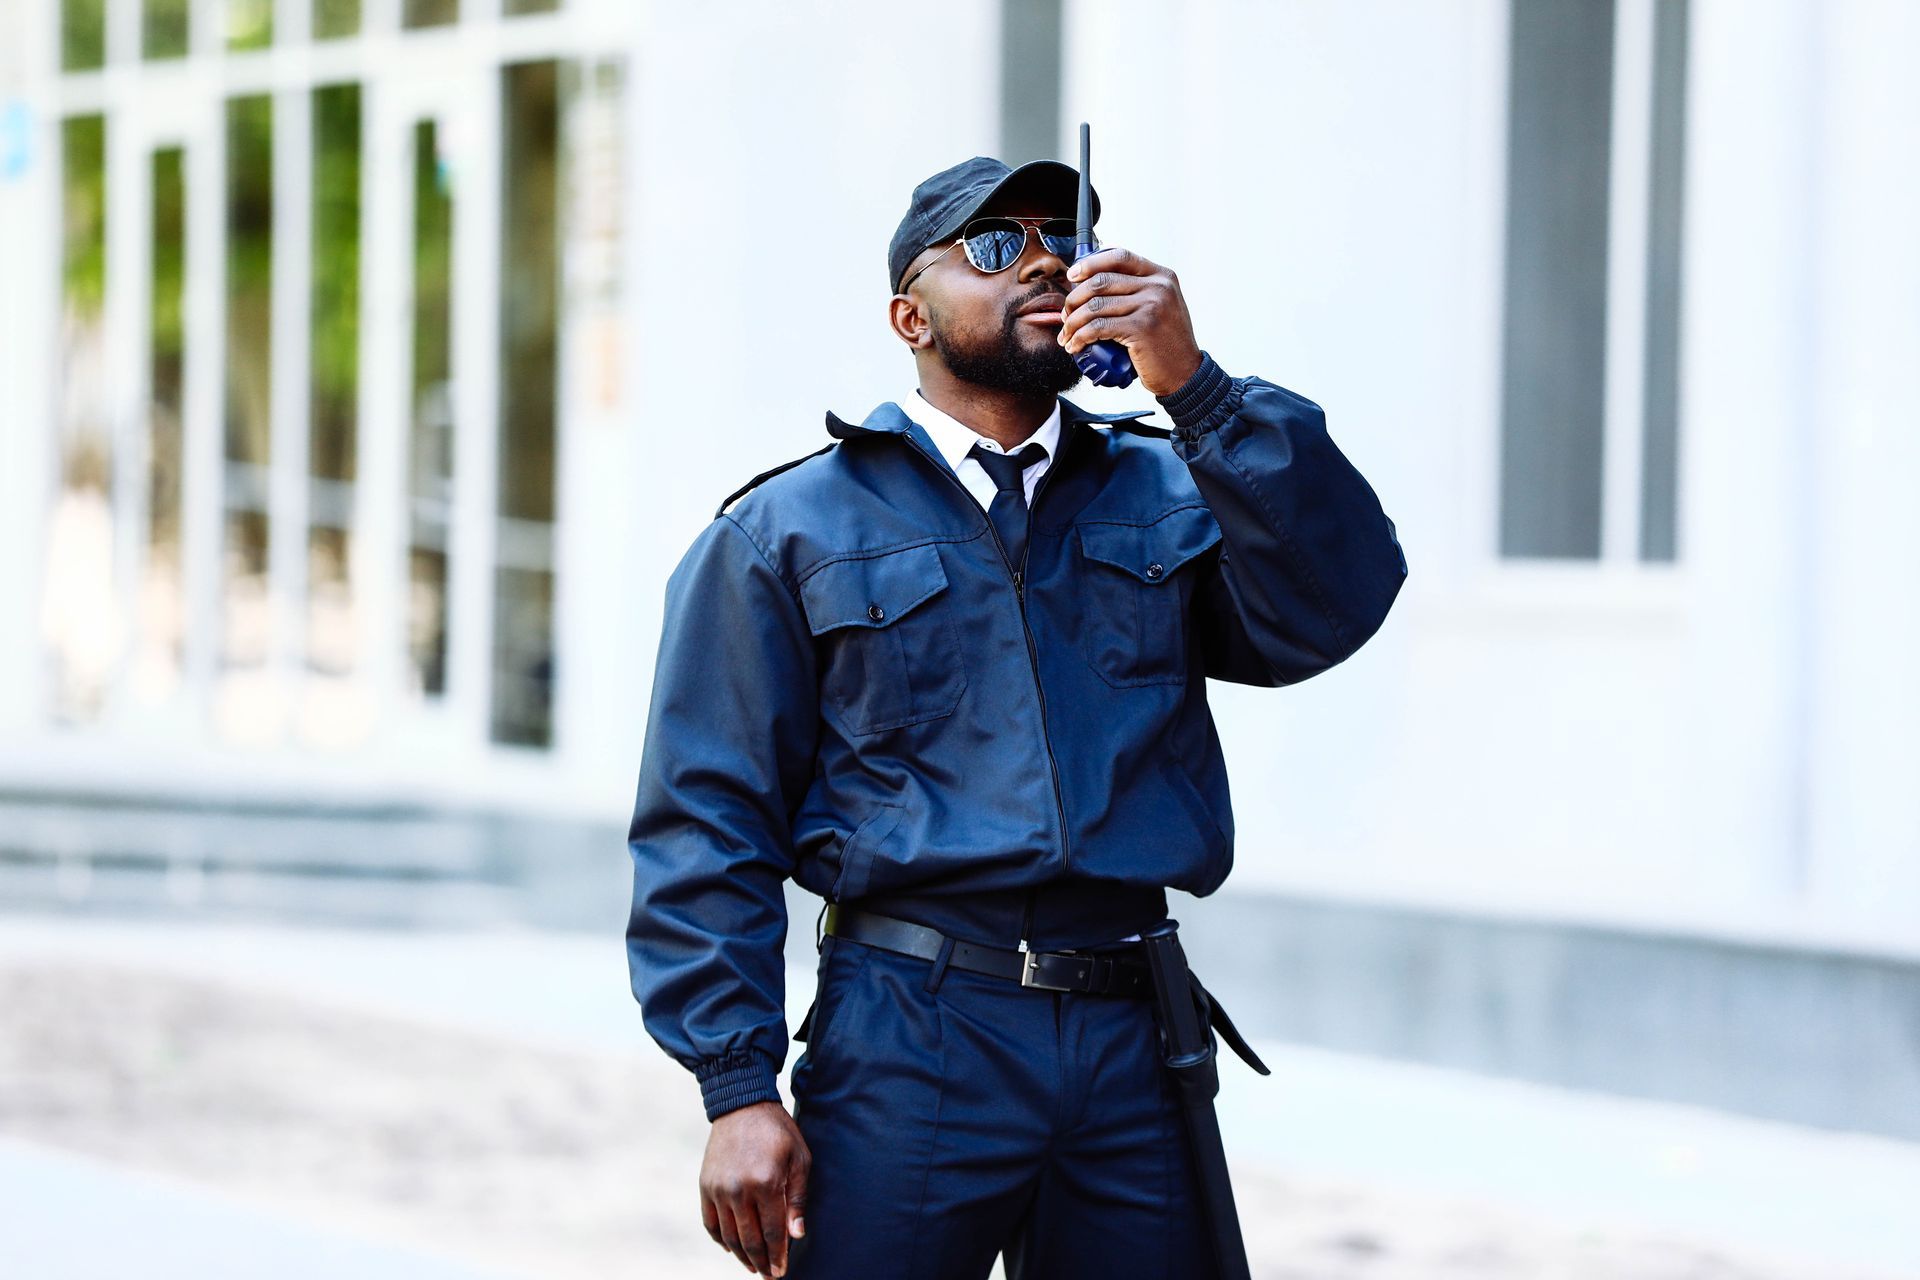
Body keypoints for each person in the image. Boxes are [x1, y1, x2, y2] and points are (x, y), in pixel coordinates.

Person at [625, 154, 1408, 1280]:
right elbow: (706, 817)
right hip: (911, 1026)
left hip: (1130, 1025)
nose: (1045, 257)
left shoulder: (1171, 485)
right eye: (995, 245)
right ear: (911, 315)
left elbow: (1336, 602)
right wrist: (735, 1084)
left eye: (1065, 233)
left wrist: (1196, 389)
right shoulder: (786, 529)